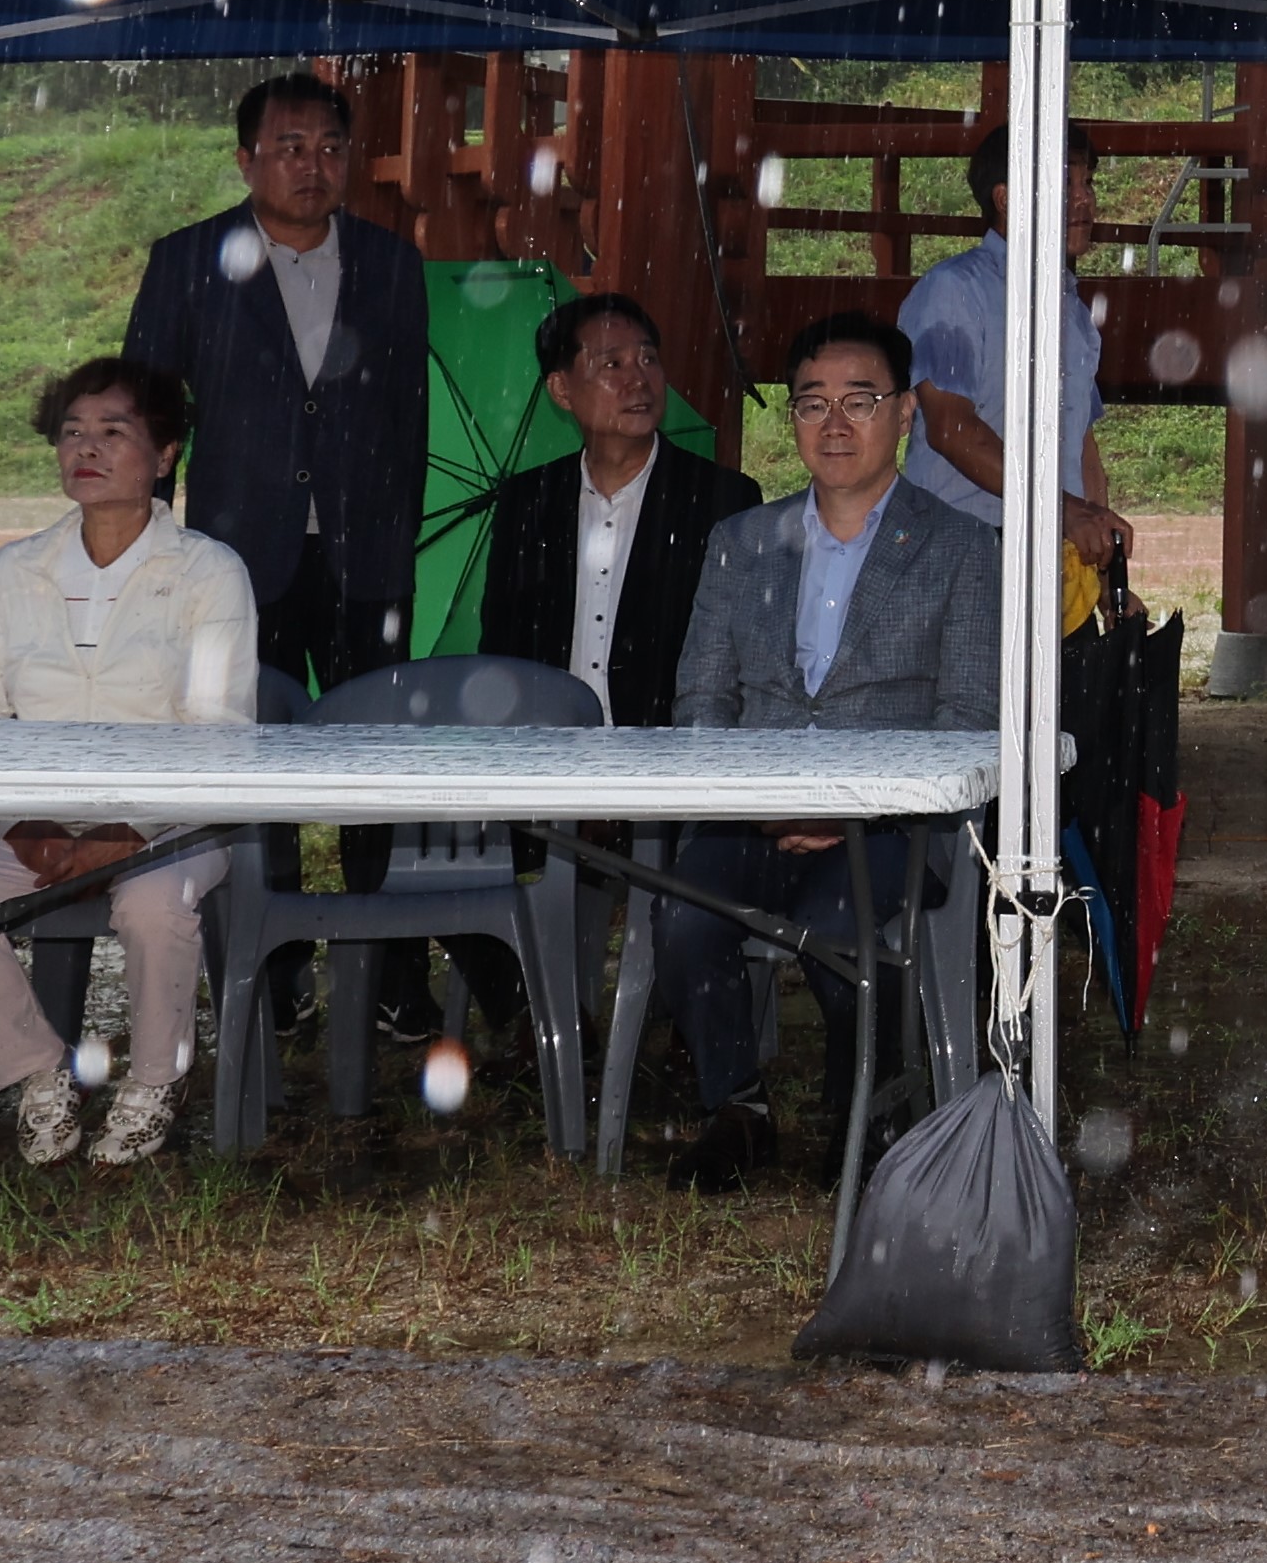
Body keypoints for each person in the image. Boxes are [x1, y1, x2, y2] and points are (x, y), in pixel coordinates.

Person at [658, 312, 1000, 1187]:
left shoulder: (961, 548)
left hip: (896, 823)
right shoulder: (741, 543)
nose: (837, 424)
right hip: (756, 812)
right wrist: (752, 799)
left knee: (840, 928)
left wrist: (850, 803)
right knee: (687, 913)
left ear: (905, 414)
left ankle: (869, 1116)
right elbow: (701, 699)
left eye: (861, 401)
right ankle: (737, 1108)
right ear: (793, 421)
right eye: (813, 404)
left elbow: (966, 718)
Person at [0, 359, 264, 1167]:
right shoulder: (17, 569)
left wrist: (132, 827)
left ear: (164, 455)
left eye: (114, 431)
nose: (87, 447)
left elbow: (218, 732)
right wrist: (21, 821)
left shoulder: (208, 571)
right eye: (73, 431)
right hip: (35, 825)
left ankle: (154, 1082)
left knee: (155, 905)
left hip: (176, 825)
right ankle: (37, 1072)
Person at [117, 74, 429, 692]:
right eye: (291, 147)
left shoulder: (391, 263)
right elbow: (147, 412)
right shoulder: (188, 260)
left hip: (364, 560)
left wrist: (397, 534)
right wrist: (148, 534)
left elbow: (407, 412)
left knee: (371, 738)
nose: (314, 165)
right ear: (245, 161)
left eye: (331, 148)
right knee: (242, 736)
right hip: (238, 553)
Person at [478, 290, 761, 722]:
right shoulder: (529, 499)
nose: (639, 381)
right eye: (613, 364)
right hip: (548, 750)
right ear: (561, 388)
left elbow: (737, 660)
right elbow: (503, 647)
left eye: (648, 360)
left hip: (665, 754)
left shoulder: (720, 499)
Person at [902, 130, 1133, 576]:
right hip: (962, 551)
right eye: (1066, 185)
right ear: (1006, 199)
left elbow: (1083, 448)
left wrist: (1103, 568)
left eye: (1089, 184)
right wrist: (1062, 511)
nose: (1085, 200)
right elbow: (950, 428)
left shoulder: (1072, 312)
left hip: (1054, 554)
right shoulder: (954, 290)